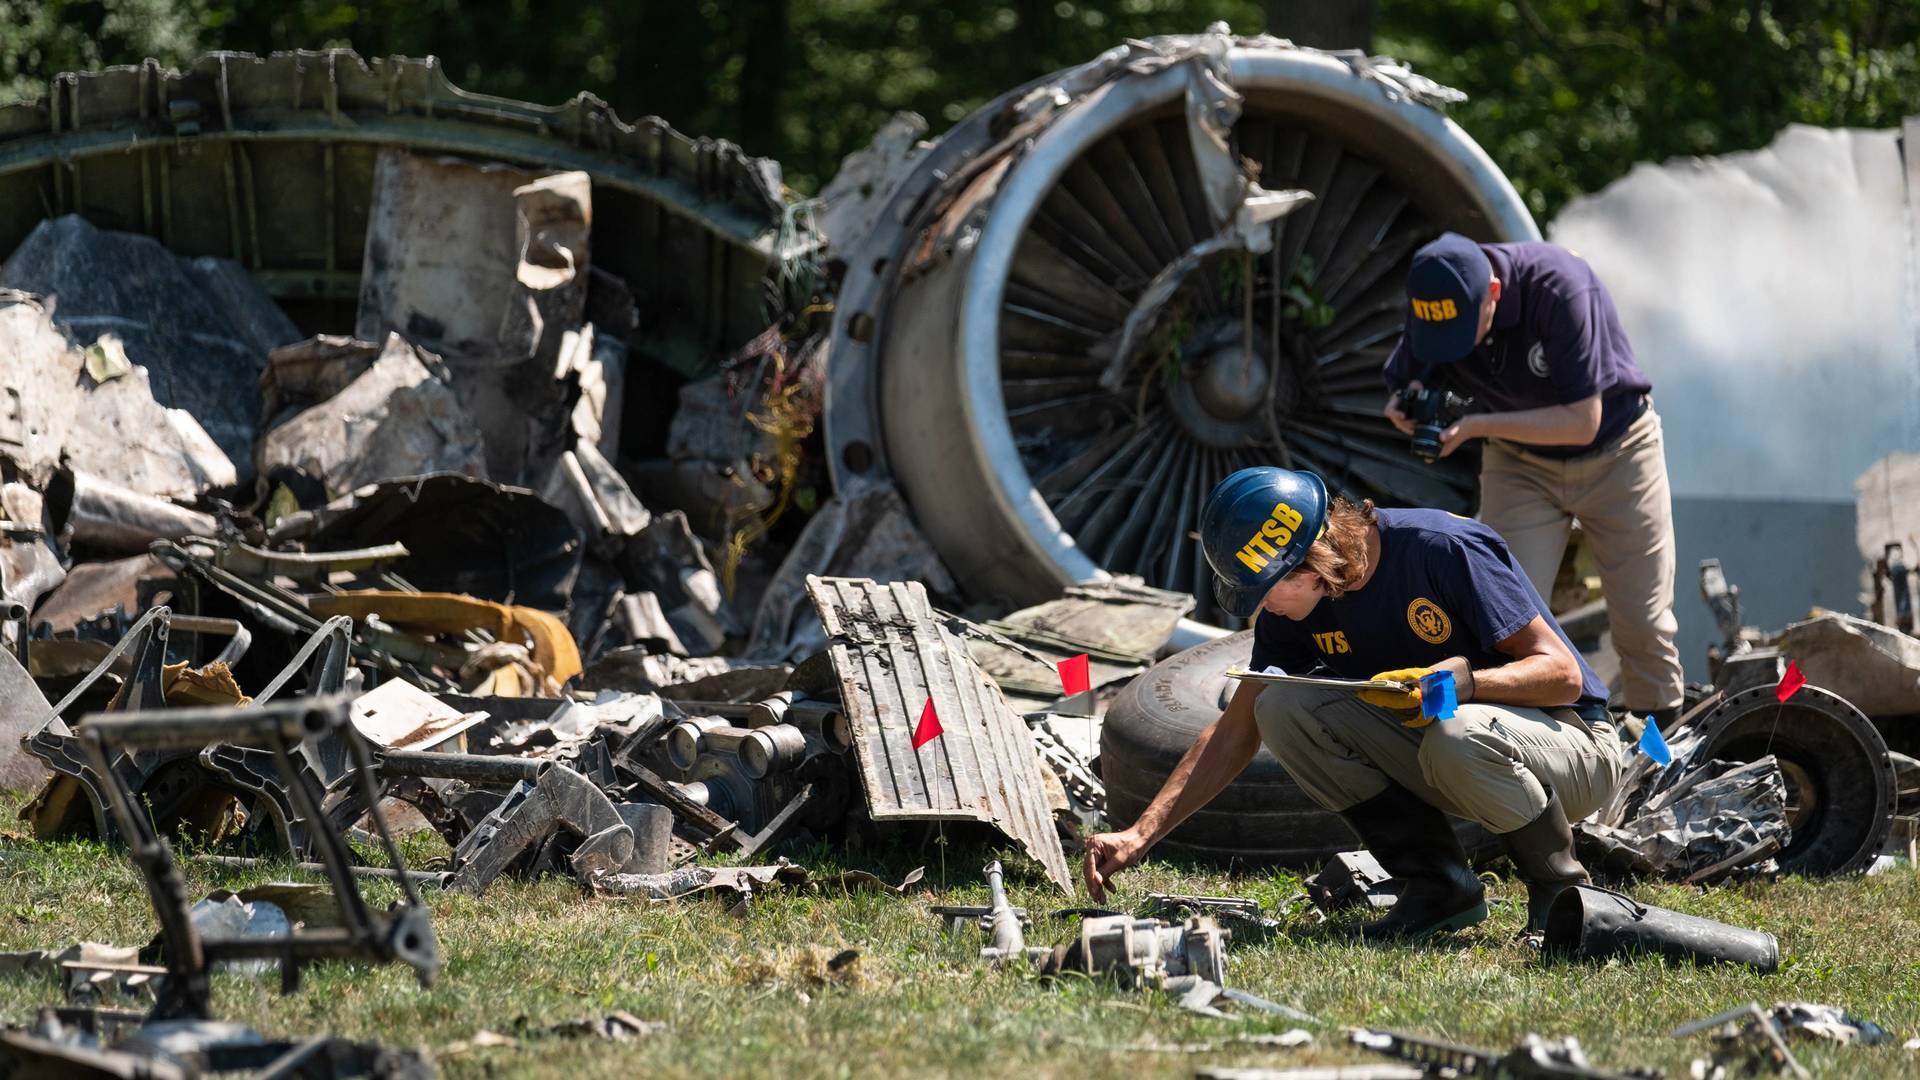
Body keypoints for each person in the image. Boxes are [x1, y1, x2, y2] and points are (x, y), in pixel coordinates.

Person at [1082, 467, 1624, 941]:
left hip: (1574, 745)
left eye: (1265, 590)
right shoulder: (1294, 614)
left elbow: (1564, 676)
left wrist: (1464, 683)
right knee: (1279, 707)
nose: (1261, 608)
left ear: (1310, 563)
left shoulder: (1441, 548)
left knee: (1455, 733)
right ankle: (1439, 886)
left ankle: (1560, 891)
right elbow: (1234, 727)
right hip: (1463, 756)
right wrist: (1139, 835)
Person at [1382, 233, 1683, 725]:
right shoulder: (1435, 307)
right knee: (1502, 618)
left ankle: (1660, 762)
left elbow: (1582, 420)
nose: (1451, 346)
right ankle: (1528, 756)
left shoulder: (1560, 288)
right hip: (1521, 463)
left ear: (1494, 293)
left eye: (1462, 329)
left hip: (1617, 451)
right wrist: (1408, 403)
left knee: (1643, 624)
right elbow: (1404, 380)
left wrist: (1476, 425)